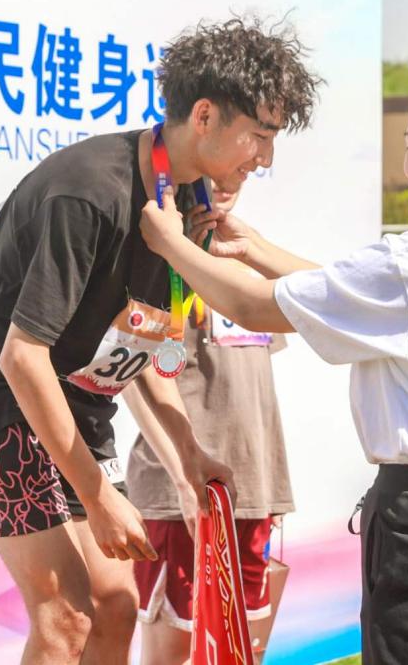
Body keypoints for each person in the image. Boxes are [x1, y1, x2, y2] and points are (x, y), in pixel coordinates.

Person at [142, 62, 408, 664]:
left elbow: (255, 307)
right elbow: (367, 302)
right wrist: (254, 248)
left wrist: (169, 242)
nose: (406, 164)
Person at [0, 17, 320, 664]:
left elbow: (142, 343)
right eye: (259, 135)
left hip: (75, 400)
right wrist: (97, 494)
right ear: (203, 115)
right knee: (66, 618)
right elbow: (20, 356)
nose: (265, 159)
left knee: (115, 604)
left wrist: (189, 456)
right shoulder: (89, 191)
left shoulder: (186, 204)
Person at [122, 183, 295, 665]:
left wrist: (268, 482)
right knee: (174, 649)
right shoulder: (156, 259)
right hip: (181, 493)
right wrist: (181, 475)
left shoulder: (243, 261)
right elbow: (132, 375)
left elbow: (254, 378)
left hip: (250, 491)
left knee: (241, 646)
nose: (228, 178)